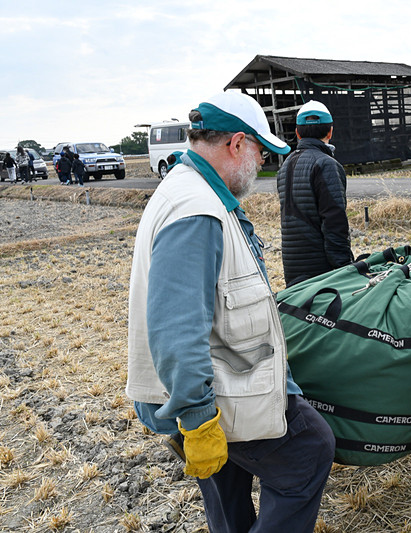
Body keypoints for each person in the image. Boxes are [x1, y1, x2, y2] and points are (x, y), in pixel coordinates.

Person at [126, 91, 336, 532]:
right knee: (309, 450)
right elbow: (176, 328)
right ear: (237, 144)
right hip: (209, 391)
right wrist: (199, 420)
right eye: (261, 151)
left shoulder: (188, 187)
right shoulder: (197, 211)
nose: (261, 164)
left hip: (205, 384)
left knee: (228, 480)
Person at [276, 100, 353, 287]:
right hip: (322, 271)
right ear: (330, 131)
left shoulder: (285, 165)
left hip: (293, 265)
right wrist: (346, 268)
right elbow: (335, 222)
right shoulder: (326, 164)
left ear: (297, 133)